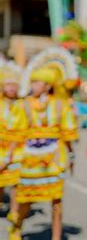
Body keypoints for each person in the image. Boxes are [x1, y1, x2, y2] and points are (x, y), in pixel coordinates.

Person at [7, 47, 79, 240]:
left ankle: (56, 237)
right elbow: (17, 134)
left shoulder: (60, 105)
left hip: (54, 157)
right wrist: (9, 157)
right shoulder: (23, 105)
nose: (33, 85)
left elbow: (68, 133)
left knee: (56, 201)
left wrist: (72, 157)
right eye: (33, 81)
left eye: (37, 82)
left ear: (48, 85)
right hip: (30, 158)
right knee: (25, 199)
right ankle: (16, 226)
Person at [0, 61, 22, 220]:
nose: (11, 88)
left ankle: (14, 212)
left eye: (14, 85)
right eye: (8, 85)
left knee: (16, 184)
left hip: (18, 149)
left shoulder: (22, 104)